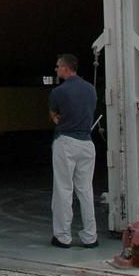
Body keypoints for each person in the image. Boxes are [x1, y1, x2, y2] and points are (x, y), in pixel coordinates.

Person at [48, 52, 98, 249]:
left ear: (66, 68)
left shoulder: (59, 92)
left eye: (58, 66)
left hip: (66, 141)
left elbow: (55, 114)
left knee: (63, 189)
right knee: (85, 190)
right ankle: (90, 236)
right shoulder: (90, 89)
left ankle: (62, 236)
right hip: (87, 142)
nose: (56, 69)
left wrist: (54, 117)